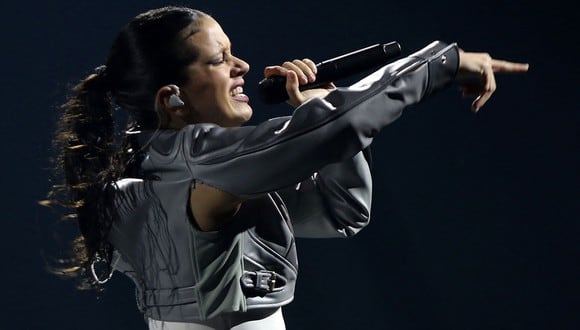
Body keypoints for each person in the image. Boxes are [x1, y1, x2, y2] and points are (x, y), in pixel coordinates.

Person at [47, 6, 528, 330]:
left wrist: (316, 105)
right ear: (172, 98)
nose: (242, 66)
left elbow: (339, 213)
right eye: (220, 60)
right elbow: (329, 131)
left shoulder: (166, 165)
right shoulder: (196, 167)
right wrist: (441, 64)